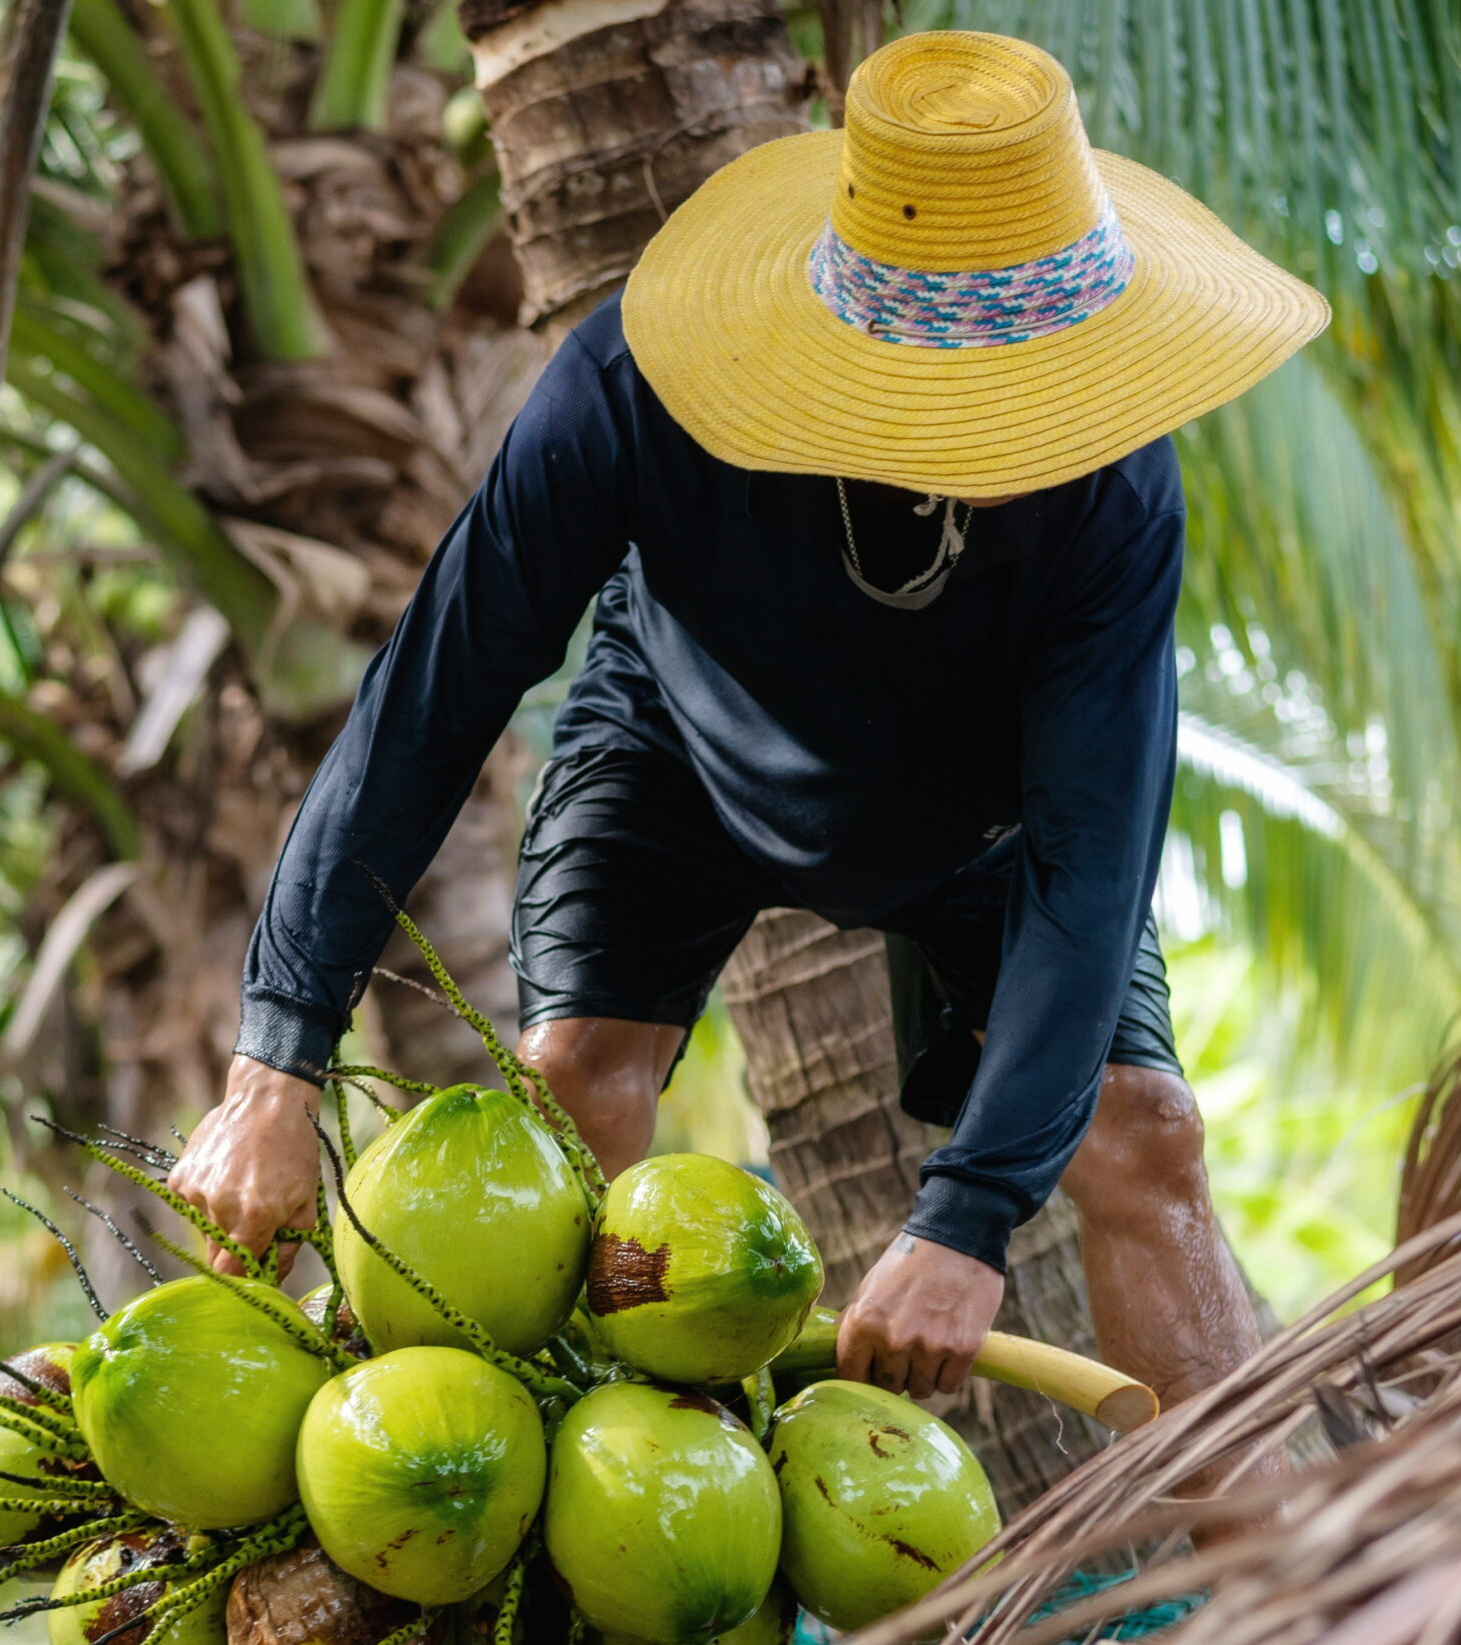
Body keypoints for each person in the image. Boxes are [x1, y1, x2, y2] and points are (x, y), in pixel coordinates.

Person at [167, 30, 1328, 1415]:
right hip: (678, 755)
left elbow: (1094, 858)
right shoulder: (632, 387)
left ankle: (1281, 1597)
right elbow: (434, 694)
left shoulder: (1114, 483)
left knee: (1147, 1137)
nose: (1016, 428)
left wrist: (966, 1216)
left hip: (992, 808)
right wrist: (277, 1058)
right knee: (571, 1091)